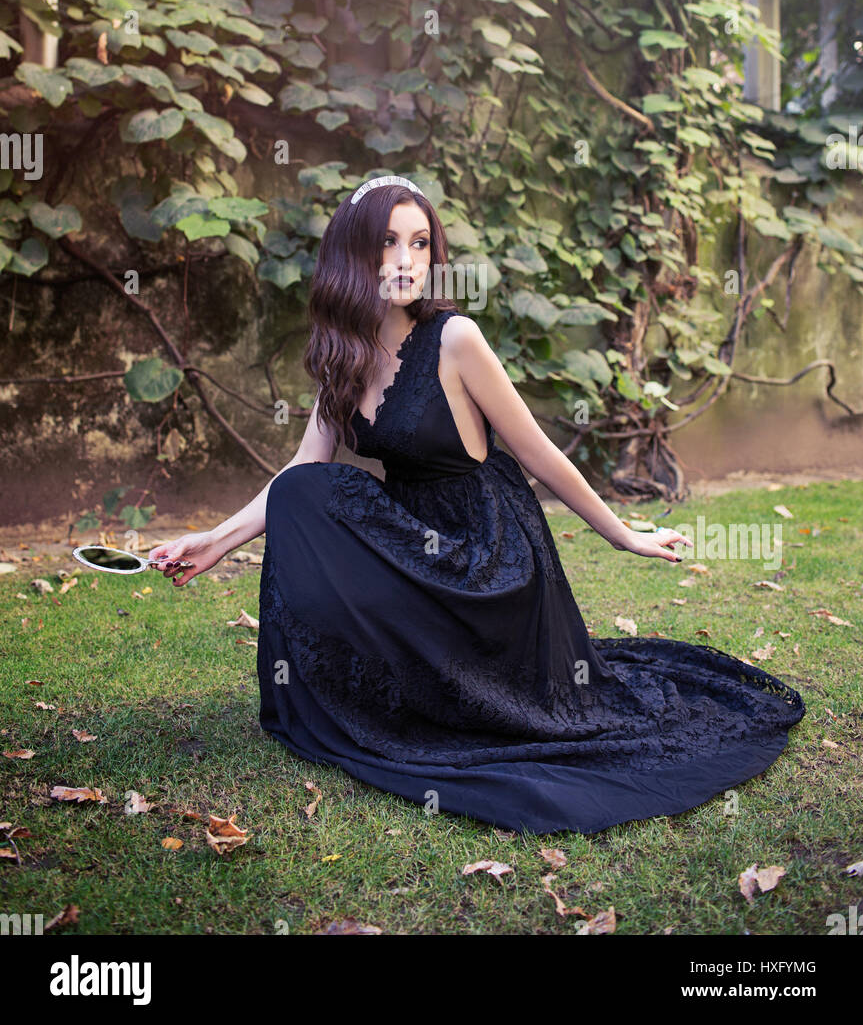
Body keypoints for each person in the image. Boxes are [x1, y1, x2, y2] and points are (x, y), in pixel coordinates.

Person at [149, 175, 805, 835]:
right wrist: (215, 539)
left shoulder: (455, 339)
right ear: (354, 253)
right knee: (307, 492)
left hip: (489, 554)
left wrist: (620, 534)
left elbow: (541, 454)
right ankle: (373, 687)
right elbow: (300, 472)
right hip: (414, 539)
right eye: (387, 242)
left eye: (421, 242)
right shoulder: (341, 358)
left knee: (320, 499)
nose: (407, 259)